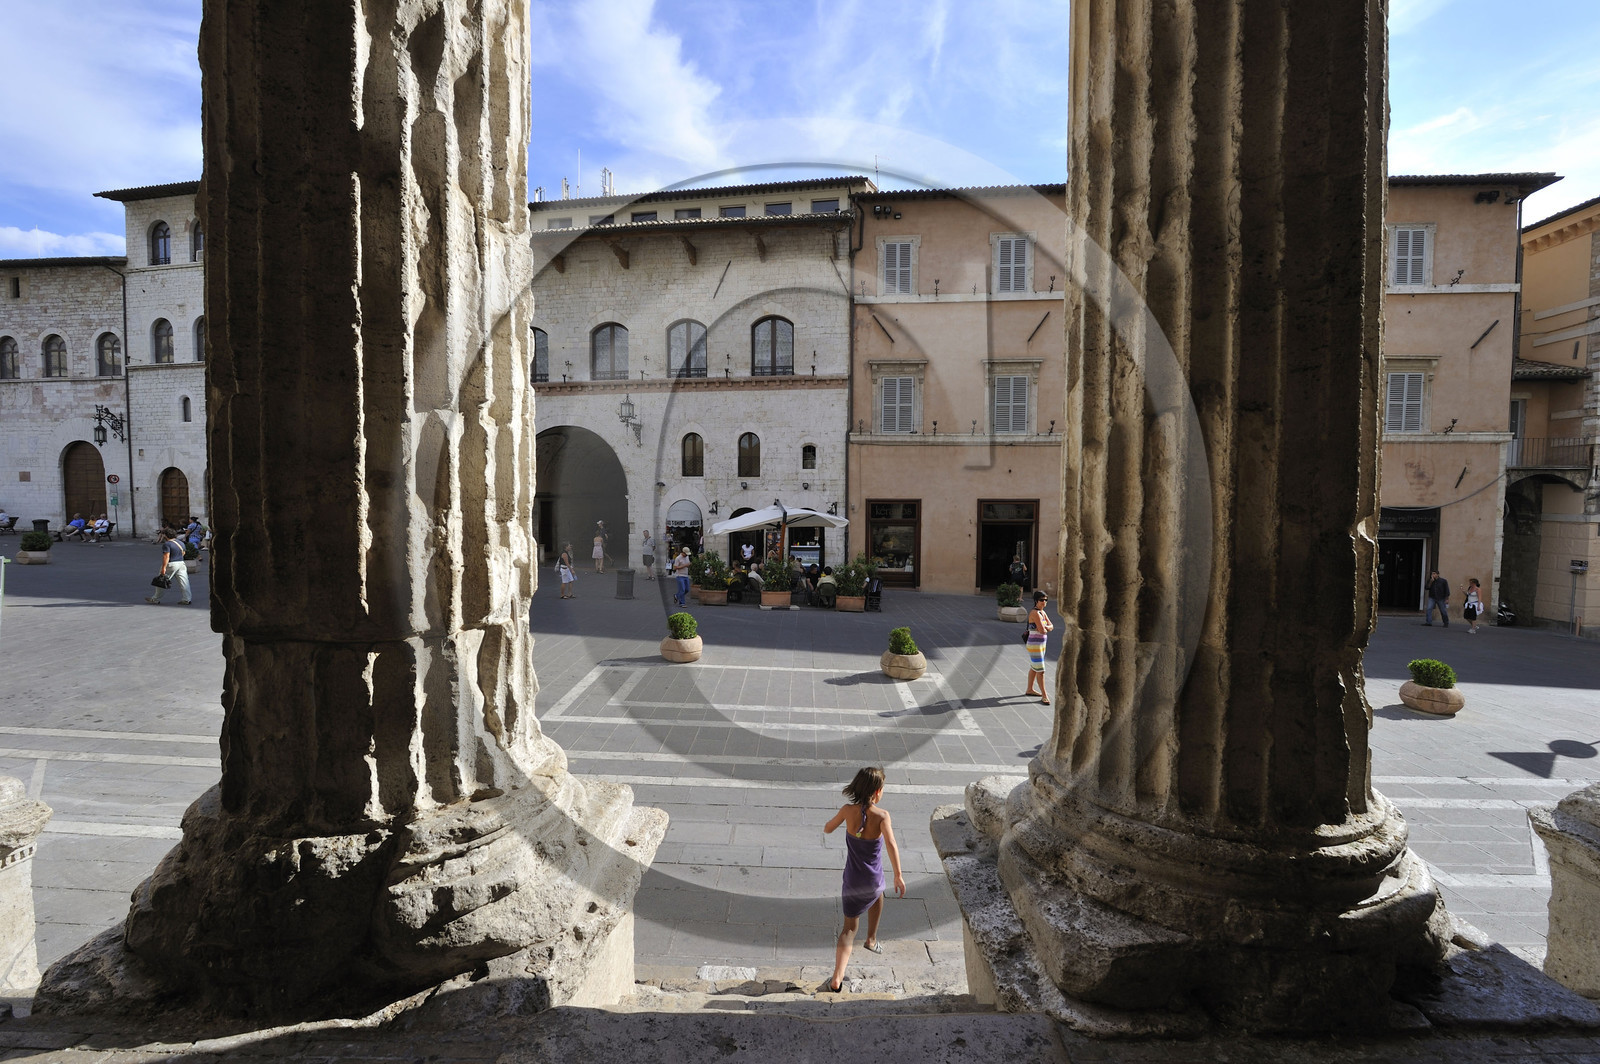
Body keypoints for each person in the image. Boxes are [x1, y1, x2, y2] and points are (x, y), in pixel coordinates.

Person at [822, 766, 905, 994]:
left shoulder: (848, 811)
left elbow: (829, 827)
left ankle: (837, 977)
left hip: (852, 879)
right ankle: (871, 939)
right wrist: (898, 874)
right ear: (877, 792)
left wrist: (829, 827)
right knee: (878, 894)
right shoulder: (882, 816)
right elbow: (891, 844)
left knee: (849, 928)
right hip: (873, 879)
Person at [145, 526, 192, 605]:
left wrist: (163, 568)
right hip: (181, 563)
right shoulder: (180, 542)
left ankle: (155, 598)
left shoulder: (167, 544)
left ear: (166, 535)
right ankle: (186, 599)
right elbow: (183, 553)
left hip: (171, 564)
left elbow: (166, 556)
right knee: (184, 582)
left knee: (161, 581)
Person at [1025, 590, 1054, 704]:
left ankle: (1029, 689)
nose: (1044, 602)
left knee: (1034, 667)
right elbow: (1042, 630)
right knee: (1040, 670)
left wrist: (1046, 627)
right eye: (1042, 600)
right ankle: (1044, 695)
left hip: (1041, 645)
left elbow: (1051, 626)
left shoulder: (1043, 612)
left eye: (1046, 600)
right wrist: (1047, 627)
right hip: (1035, 645)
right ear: (1036, 601)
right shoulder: (1035, 613)